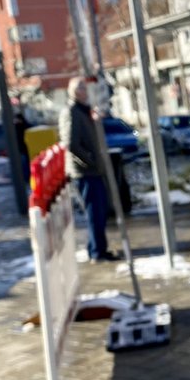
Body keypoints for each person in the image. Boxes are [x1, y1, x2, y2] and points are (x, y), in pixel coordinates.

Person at [59, 76, 118, 263]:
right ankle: (97, 252)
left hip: (92, 170)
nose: (87, 92)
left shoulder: (84, 112)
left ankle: (98, 248)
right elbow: (72, 144)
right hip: (85, 172)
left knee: (99, 212)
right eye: (83, 89)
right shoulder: (72, 112)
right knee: (94, 212)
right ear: (76, 92)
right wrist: (90, 160)